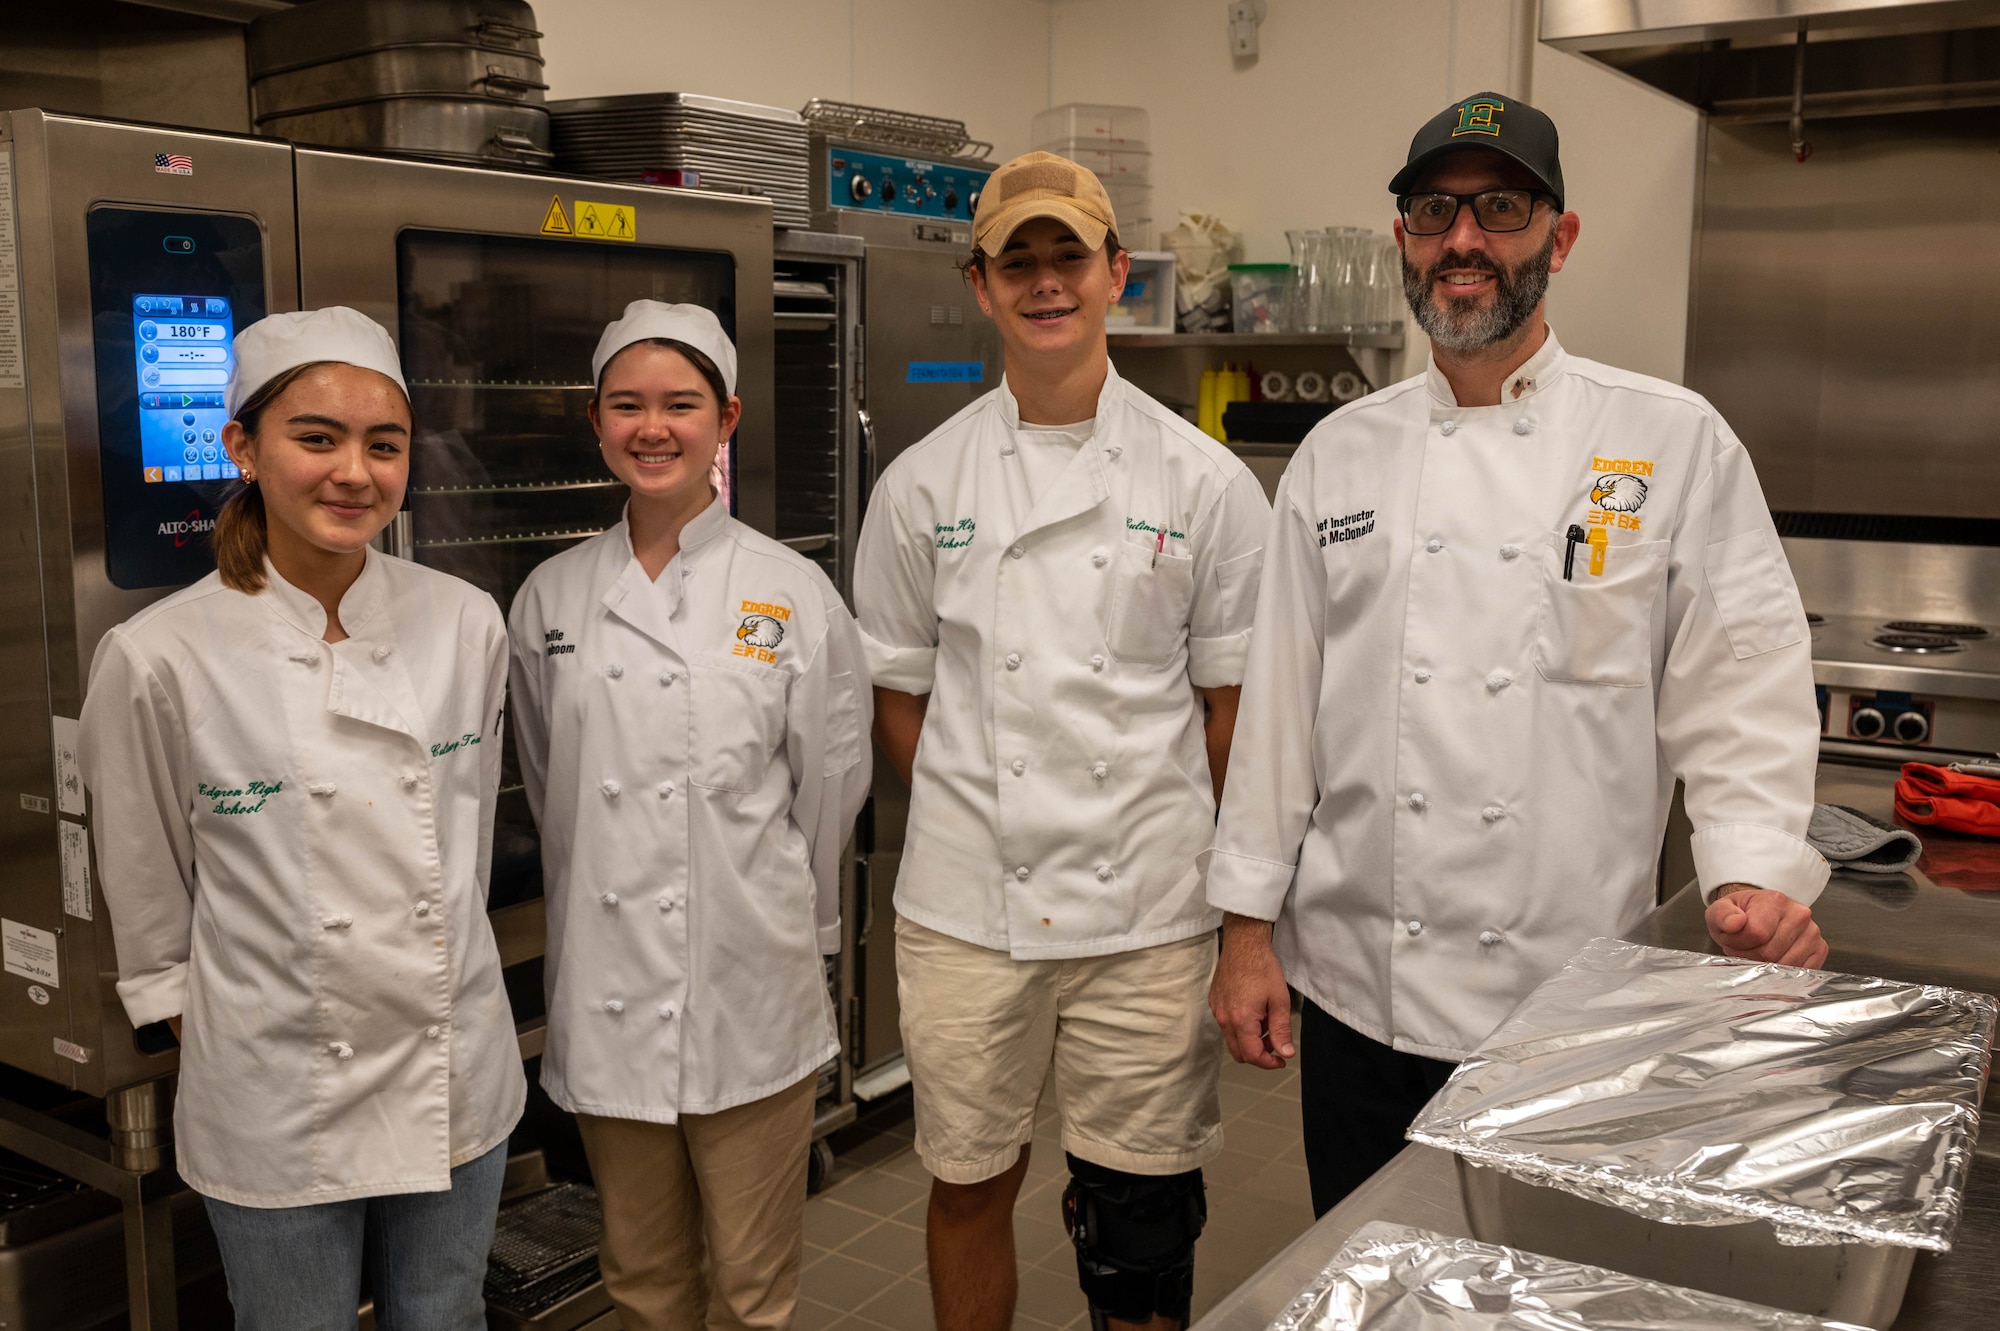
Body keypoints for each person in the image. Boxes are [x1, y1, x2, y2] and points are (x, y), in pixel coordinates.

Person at [1206, 92, 1831, 1218]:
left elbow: (1738, 684)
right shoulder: (1335, 457)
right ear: (1401, 235)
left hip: (1568, 995)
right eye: (1433, 210)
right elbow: (1278, 717)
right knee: (1370, 1269)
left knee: (1546, 1286)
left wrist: (1747, 873)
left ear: (1559, 234)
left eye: (1497, 207)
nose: (1462, 240)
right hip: (1358, 990)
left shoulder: (1666, 439)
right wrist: (1245, 931)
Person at [854, 152, 1271, 1331]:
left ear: (1114, 275)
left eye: (1067, 257)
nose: (1045, 284)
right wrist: (976, 808)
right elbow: (899, 690)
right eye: (1016, 262)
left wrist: (1240, 915)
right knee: (967, 1180)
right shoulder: (920, 484)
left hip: (1146, 904)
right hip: (964, 907)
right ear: (980, 285)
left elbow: (1230, 709)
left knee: (1140, 1215)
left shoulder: (1204, 481)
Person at [78, 307, 525, 1329]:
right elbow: (148, 903)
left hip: (449, 1051)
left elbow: (459, 838)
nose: (353, 473)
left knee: (445, 1311)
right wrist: (244, 1037)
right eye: (315, 437)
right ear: (242, 444)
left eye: (384, 443)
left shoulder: (464, 622)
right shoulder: (160, 657)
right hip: (278, 1080)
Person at [508, 301, 871, 1331]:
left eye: (679, 403)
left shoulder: (789, 591)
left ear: (726, 419)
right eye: (627, 405)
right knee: (640, 1280)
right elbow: (553, 785)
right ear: (595, 421)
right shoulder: (551, 598)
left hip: (746, 986)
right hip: (611, 983)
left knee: (752, 1292)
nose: (652, 426)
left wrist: (782, 920)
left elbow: (828, 790)